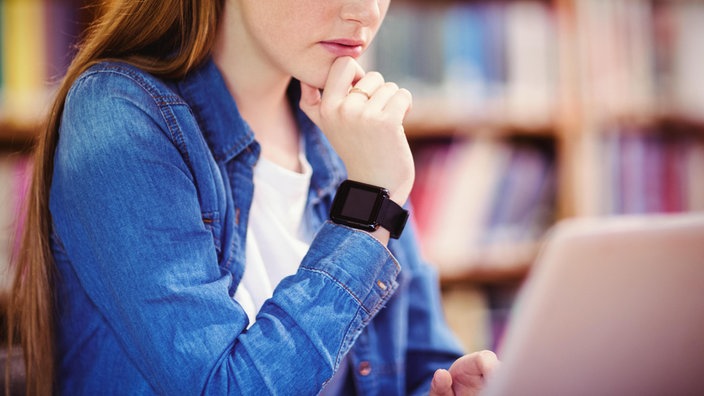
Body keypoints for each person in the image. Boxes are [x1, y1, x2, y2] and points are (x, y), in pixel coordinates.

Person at [7, 0, 499, 394]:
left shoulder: (350, 133)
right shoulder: (118, 116)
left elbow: (418, 361)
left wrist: (450, 386)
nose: (366, 12)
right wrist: (368, 204)